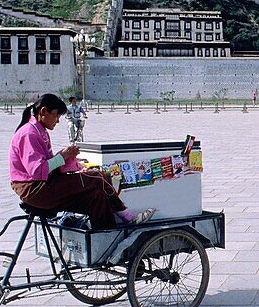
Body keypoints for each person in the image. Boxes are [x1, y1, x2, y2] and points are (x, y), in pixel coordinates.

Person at [9, 93, 155, 229]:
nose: (58, 121)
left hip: (43, 185)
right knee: (97, 177)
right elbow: (37, 171)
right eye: (56, 116)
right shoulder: (29, 133)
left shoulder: (39, 131)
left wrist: (72, 163)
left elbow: (49, 165)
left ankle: (103, 244)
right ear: (43, 112)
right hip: (35, 189)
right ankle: (127, 217)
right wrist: (63, 156)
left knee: (97, 196)